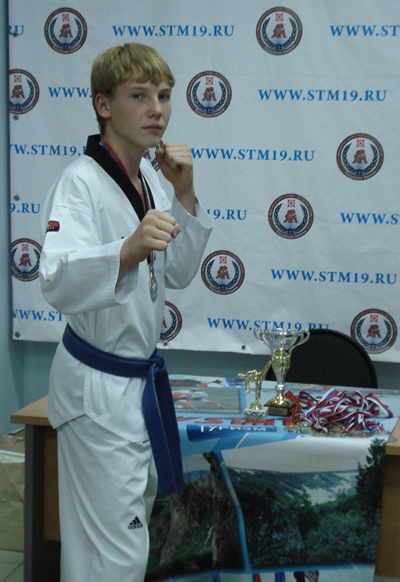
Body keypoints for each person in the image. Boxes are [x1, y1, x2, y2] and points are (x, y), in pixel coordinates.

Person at [39, 42, 213, 582]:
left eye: (163, 95)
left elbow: (178, 273)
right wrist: (125, 250)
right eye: (139, 96)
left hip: (133, 388)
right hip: (98, 387)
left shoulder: (153, 178)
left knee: (110, 553)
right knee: (116, 558)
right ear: (103, 105)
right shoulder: (80, 182)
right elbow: (55, 279)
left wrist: (185, 194)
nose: (157, 109)